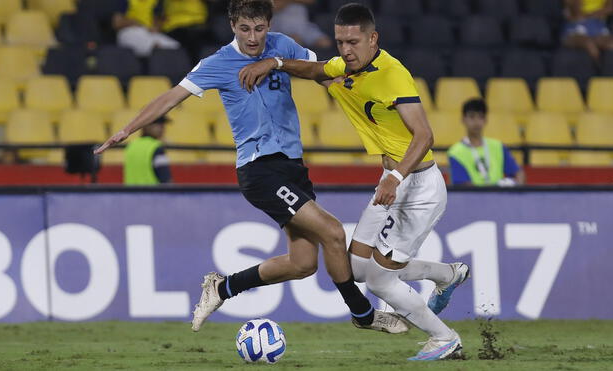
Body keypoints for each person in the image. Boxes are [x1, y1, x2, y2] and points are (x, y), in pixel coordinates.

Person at [95, 0, 407, 336]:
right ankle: (363, 314)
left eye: (259, 28)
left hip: (292, 167)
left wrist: (356, 100)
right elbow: (171, 97)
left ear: (269, 24)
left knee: (302, 263)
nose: (253, 37)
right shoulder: (218, 63)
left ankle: (222, 288)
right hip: (259, 168)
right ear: (232, 26)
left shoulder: (282, 46)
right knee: (333, 232)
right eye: (245, 29)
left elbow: (322, 73)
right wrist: (127, 129)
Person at [239, 3, 469, 361]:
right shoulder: (347, 66)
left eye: (353, 41)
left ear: (373, 38)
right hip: (393, 183)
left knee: (379, 281)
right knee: (359, 268)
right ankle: (447, 274)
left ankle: (444, 338)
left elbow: (424, 136)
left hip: (417, 186)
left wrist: (394, 177)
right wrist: (276, 63)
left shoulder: (392, 75)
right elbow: (317, 70)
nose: (346, 50)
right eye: (340, 41)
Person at [448, 98, 525, 187]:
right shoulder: (455, 152)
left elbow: (519, 173)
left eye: (480, 117)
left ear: (485, 120)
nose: (476, 122)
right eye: (472, 117)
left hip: (501, 199)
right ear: (463, 120)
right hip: (472, 200)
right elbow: (463, 186)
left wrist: (515, 187)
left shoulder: (498, 146)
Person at [113, 0, 181, 57]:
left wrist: (156, 27)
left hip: (148, 32)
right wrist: (134, 23)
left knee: (175, 47)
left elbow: (157, 21)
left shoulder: (155, 1)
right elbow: (116, 23)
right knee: (156, 49)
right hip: (128, 31)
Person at [123, 115, 172, 185]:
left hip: (131, 195)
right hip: (153, 195)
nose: (162, 128)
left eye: (162, 124)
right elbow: (165, 179)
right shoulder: (156, 147)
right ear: (146, 125)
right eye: (157, 124)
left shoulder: (131, 146)